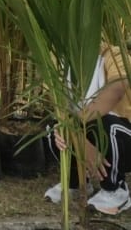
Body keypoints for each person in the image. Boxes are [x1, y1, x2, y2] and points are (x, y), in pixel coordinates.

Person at [44, 42, 131, 215]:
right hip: (80, 128)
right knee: (54, 127)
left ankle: (116, 189)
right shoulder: (57, 59)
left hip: (122, 133)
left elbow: (117, 89)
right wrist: (76, 135)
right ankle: (74, 183)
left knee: (105, 124)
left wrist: (78, 129)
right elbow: (56, 103)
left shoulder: (114, 55)